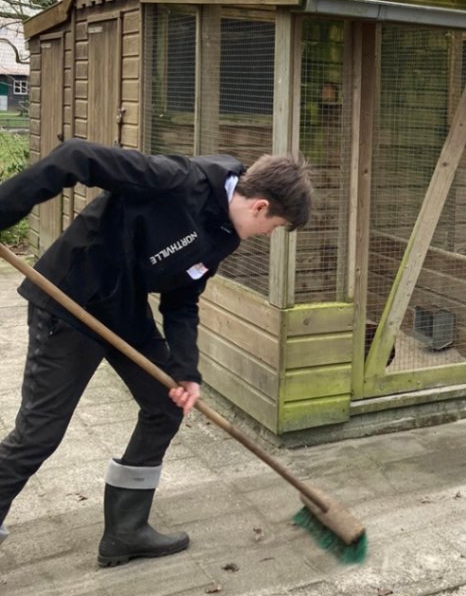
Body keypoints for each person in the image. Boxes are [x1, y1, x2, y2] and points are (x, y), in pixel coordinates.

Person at [0, 138, 313, 566]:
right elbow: (75, 157)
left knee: (166, 405)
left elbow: (183, 299)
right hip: (71, 299)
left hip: (123, 311)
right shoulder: (175, 180)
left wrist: (187, 372)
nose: (267, 235)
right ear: (260, 207)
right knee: (40, 434)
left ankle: (125, 532)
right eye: (274, 227)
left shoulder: (224, 233)